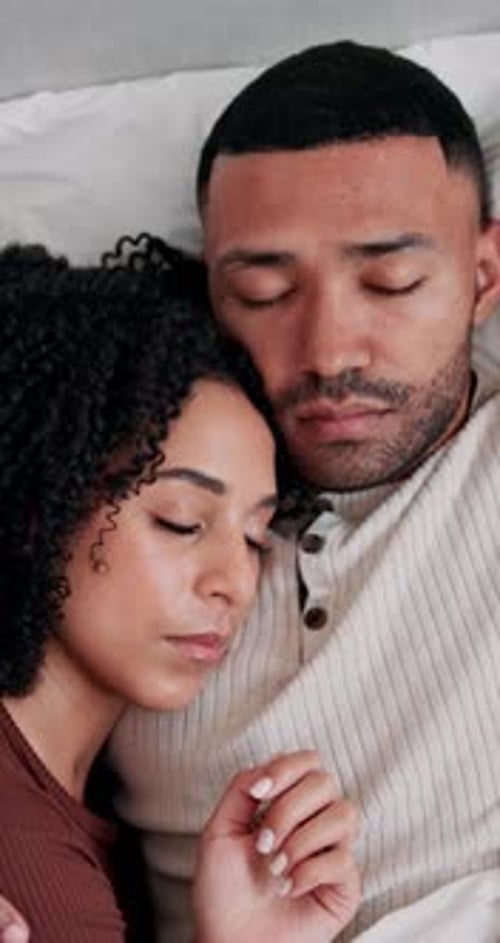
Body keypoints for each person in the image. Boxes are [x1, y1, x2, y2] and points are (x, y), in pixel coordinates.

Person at [105, 40, 500, 942]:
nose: (329, 352)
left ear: (483, 277)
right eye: (265, 289)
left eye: (391, 281)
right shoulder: (113, 511)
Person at [0, 243, 361, 942]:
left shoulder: (88, 800)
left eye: (257, 538)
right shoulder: (22, 854)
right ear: (42, 500)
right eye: (181, 521)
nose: (234, 581)